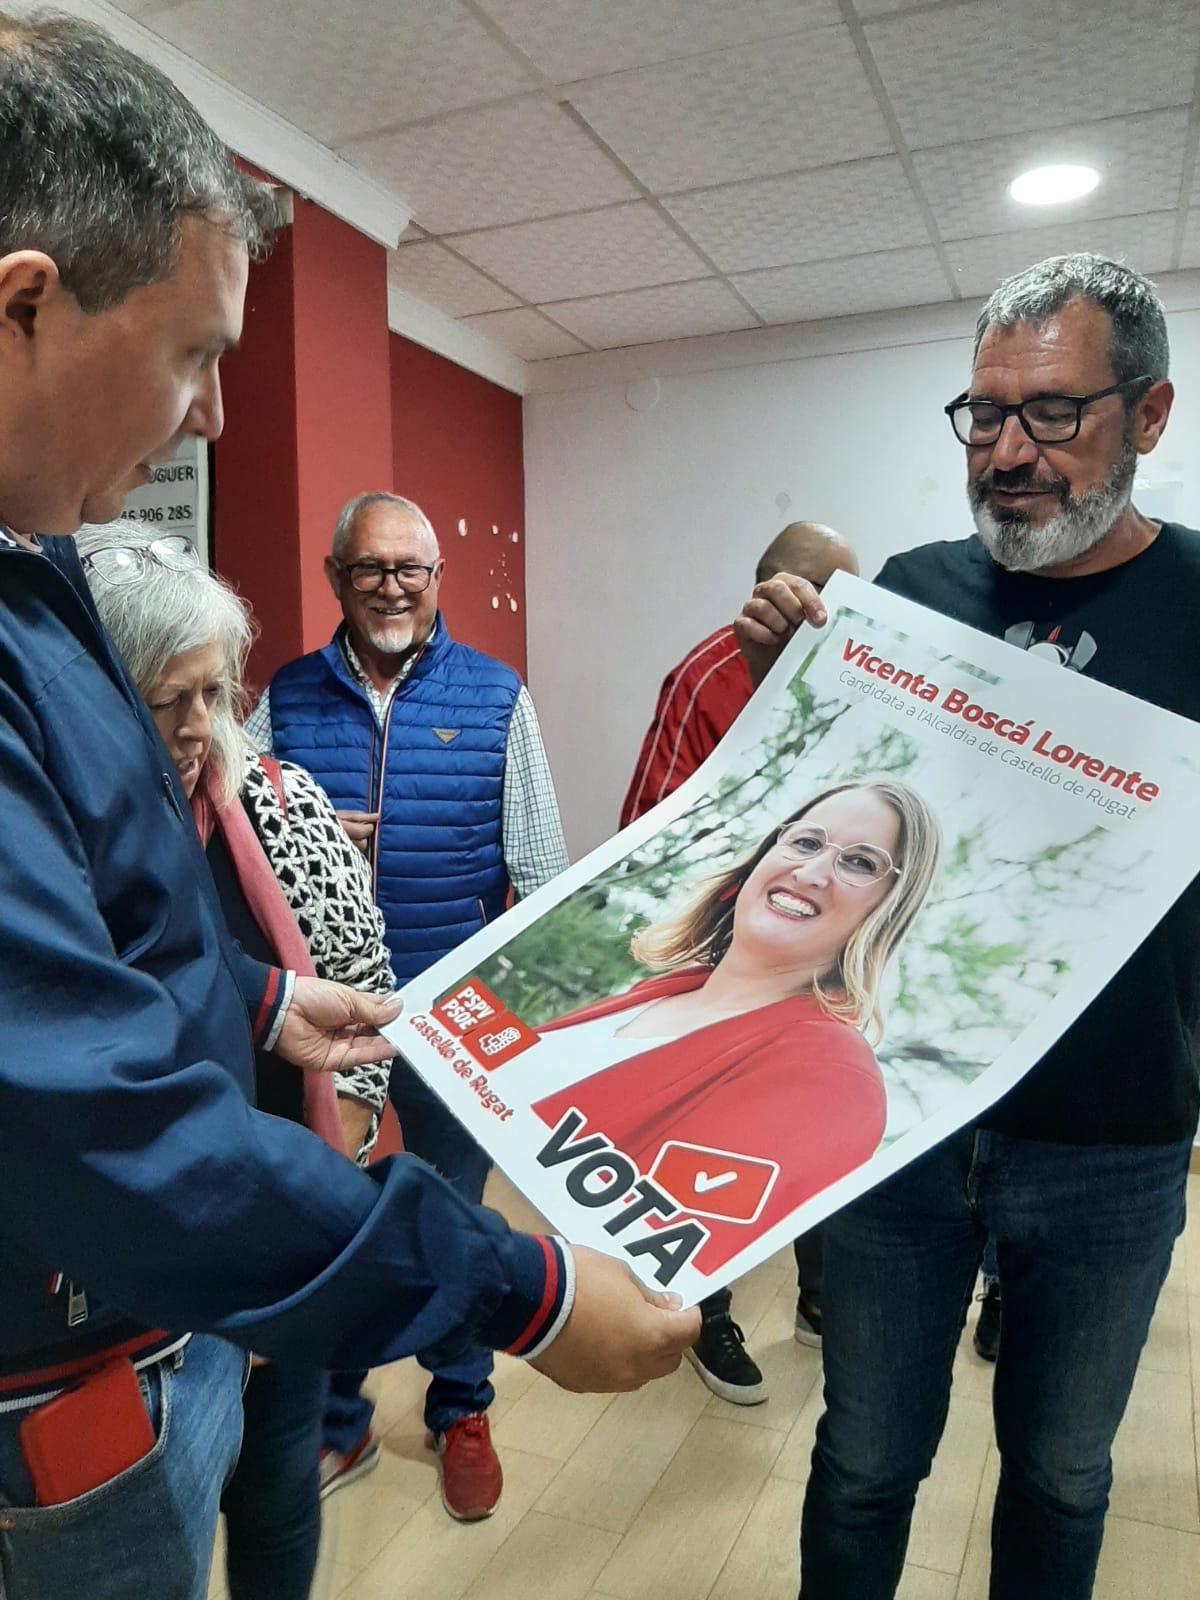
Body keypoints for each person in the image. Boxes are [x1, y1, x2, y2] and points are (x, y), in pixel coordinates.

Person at [0, 15, 698, 1597]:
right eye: (195, 354)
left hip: (157, 1330)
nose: (213, 419)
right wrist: (519, 1294)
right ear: (27, 307)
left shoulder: (38, 586)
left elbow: (76, 920)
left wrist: (252, 996)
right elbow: (95, 1118)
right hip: (56, 1392)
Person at [734, 253, 1199, 1600]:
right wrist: (787, 691)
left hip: (1113, 1142)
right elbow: (828, 819)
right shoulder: (913, 593)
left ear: (1149, 415)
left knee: (1060, 1475)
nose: (1006, 451)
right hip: (901, 1122)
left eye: (1051, 414)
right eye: (984, 415)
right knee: (868, 1457)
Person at [78, 521, 401, 1599]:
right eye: (162, 700)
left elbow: (356, 972)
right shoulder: (55, 834)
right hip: (146, 1257)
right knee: (164, 1512)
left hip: (286, 1220)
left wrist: (333, 1156)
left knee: (275, 1489)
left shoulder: (277, 798)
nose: (194, 727)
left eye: (212, 695)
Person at [247, 489, 569, 1519]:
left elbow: (543, 868)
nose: (392, 586)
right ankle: (337, 1417)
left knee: (448, 1215)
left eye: (411, 569)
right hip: (320, 1019)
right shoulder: (284, 699)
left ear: (438, 580)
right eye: (371, 568)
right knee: (330, 1219)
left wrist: (528, 1018)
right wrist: (302, 839)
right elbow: (235, 839)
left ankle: (461, 1404)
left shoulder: (496, 694)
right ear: (337, 578)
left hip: (445, 1014)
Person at [620, 521, 859, 1401]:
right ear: (770, 591)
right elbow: (649, 830)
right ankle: (705, 1311)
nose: (841, 615)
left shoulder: (853, 678)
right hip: (726, 953)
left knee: (816, 1132)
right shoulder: (707, 674)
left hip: (818, 960)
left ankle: (821, 1302)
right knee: (710, 1139)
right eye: (828, 595)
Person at [530, 780, 941, 1278]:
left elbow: (655, 1266)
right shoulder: (654, 994)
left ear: (886, 910)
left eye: (859, 863)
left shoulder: (830, 1071)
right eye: (806, 842)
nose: (811, 872)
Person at [620, 521, 859, 828]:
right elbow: (648, 820)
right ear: (777, 587)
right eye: (835, 591)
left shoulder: (852, 677)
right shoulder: (708, 674)